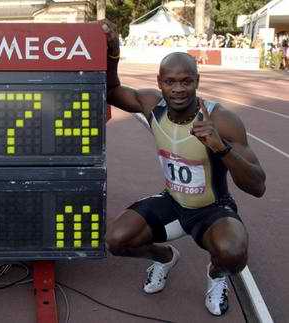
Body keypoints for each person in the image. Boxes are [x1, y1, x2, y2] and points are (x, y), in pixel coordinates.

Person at [102, 21, 266, 316]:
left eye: (186, 81)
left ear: (197, 81)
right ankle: (164, 256)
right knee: (115, 240)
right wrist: (114, 51)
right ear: (160, 82)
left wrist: (220, 147)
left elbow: (257, 186)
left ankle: (216, 277)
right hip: (173, 203)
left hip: (212, 209)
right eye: (170, 82)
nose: (178, 89)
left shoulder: (223, 120)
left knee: (233, 253)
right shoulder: (153, 105)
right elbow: (112, 90)